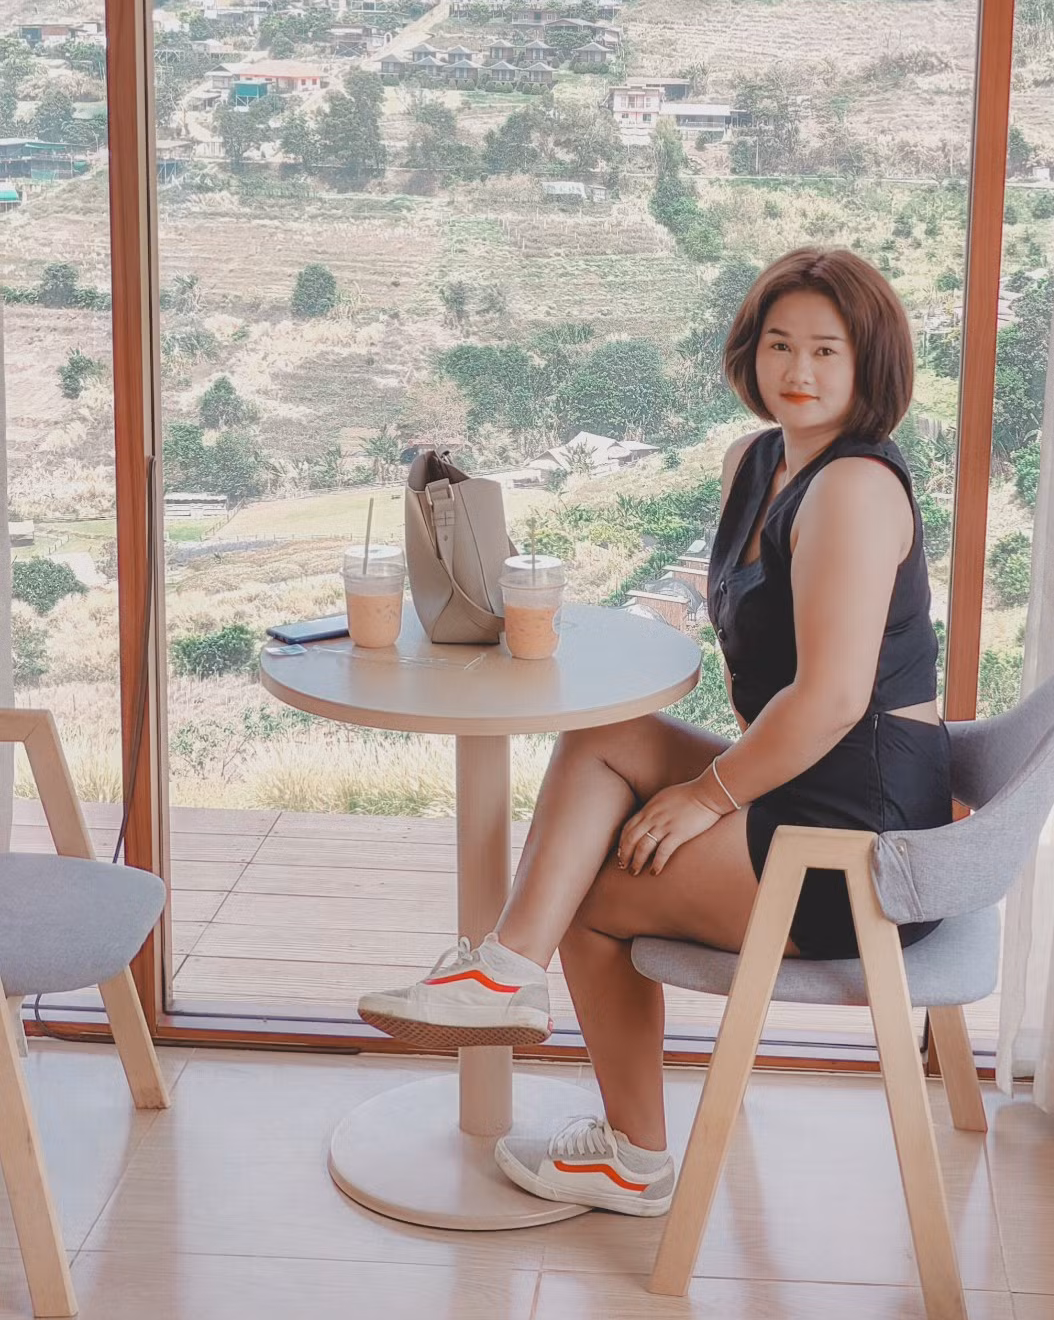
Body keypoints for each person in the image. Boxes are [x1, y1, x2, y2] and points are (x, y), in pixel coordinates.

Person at [358, 245, 953, 1217]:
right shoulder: (755, 462)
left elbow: (833, 700)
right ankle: (504, 975)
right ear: (750, 350)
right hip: (808, 781)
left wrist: (707, 797)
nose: (798, 371)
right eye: (779, 344)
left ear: (868, 364)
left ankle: (632, 1158)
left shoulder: (853, 489)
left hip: (859, 836)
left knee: (596, 899)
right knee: (605, 736)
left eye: (826, 351)